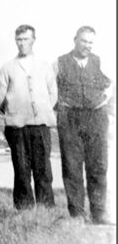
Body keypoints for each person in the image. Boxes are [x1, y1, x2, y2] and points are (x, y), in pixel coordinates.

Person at [54, 26, 112, 224]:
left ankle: (99, 213)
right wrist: (60, 107)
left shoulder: (100, 61)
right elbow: (50, 89)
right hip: (70, 118)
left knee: (98, 166)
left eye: (90, 42)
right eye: (84, 41)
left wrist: (105, 101)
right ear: (75, 40)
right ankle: (77, 214)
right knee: (72, 166)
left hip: (96, 117)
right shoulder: (60, 62)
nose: (87, 46)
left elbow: (111, 84)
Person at [0, 24, 57, 210]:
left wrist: (42, 110)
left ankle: (46, 208)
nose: (22, 43)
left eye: (26, 39)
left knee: (43, 169)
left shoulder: (44, 66)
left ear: (33, 40)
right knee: (21, 169)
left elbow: (53, 94)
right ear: (16, 41)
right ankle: (24, 209)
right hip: (17, 127)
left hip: (40, 126)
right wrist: (16, 112)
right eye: (19, 40)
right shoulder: (8, 67)